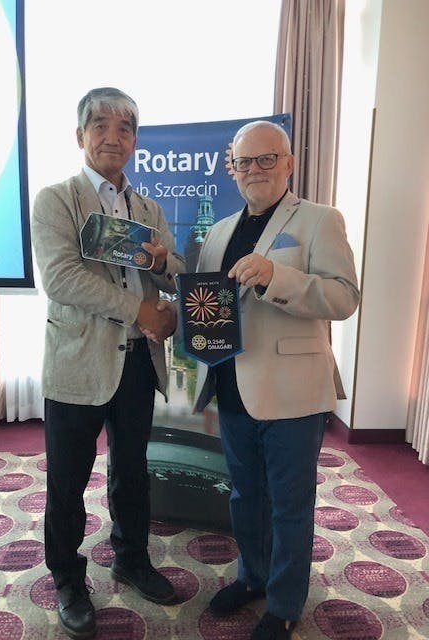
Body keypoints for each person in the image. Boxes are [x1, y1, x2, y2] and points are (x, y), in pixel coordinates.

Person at [193, 121, 360, 640]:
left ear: (289, 163)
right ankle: (252, 577)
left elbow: (344, 297)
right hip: (230, 386)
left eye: (267, 159)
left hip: (293, 392)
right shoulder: (219, 231)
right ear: (233, 169)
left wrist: (275, 276)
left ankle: (285, 603)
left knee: (290, 504)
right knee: (245, 496)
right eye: (245, 162)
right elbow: (207, 304)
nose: (255, 170)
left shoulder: (320, 219)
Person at [31, 87, 184, 640]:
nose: (112, 137)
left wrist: (166, 267)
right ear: (81, 136)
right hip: (77, 361)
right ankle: (68, 578)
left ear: (136, 141)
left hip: (138, 362)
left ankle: (132, 559)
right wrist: (140, 309)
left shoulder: (148, 210)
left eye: (124, 128)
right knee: (67, 481)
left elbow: (173, 271)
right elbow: (62, 279)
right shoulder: (57, 200)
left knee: (132, 473)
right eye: (100, 125)